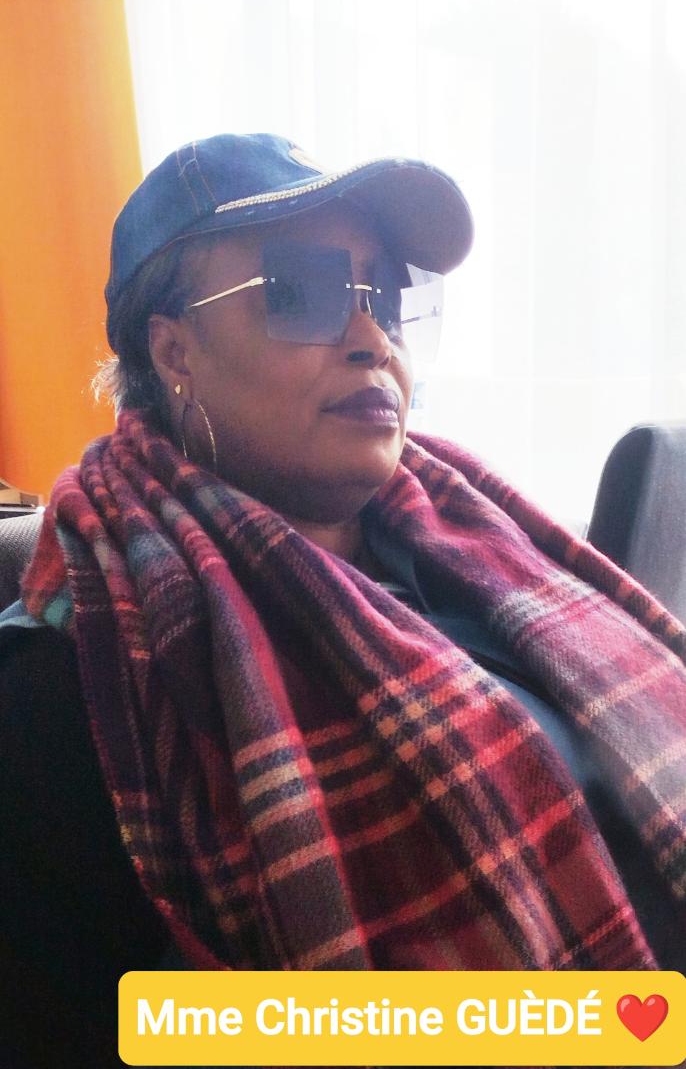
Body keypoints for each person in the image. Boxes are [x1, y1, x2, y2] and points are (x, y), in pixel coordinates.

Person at [1, 133, 685, 1069]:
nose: (371, 339)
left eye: (386, 298)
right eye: (302, 293)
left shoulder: (485, 543)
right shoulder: (74, 688)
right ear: (173, 350)